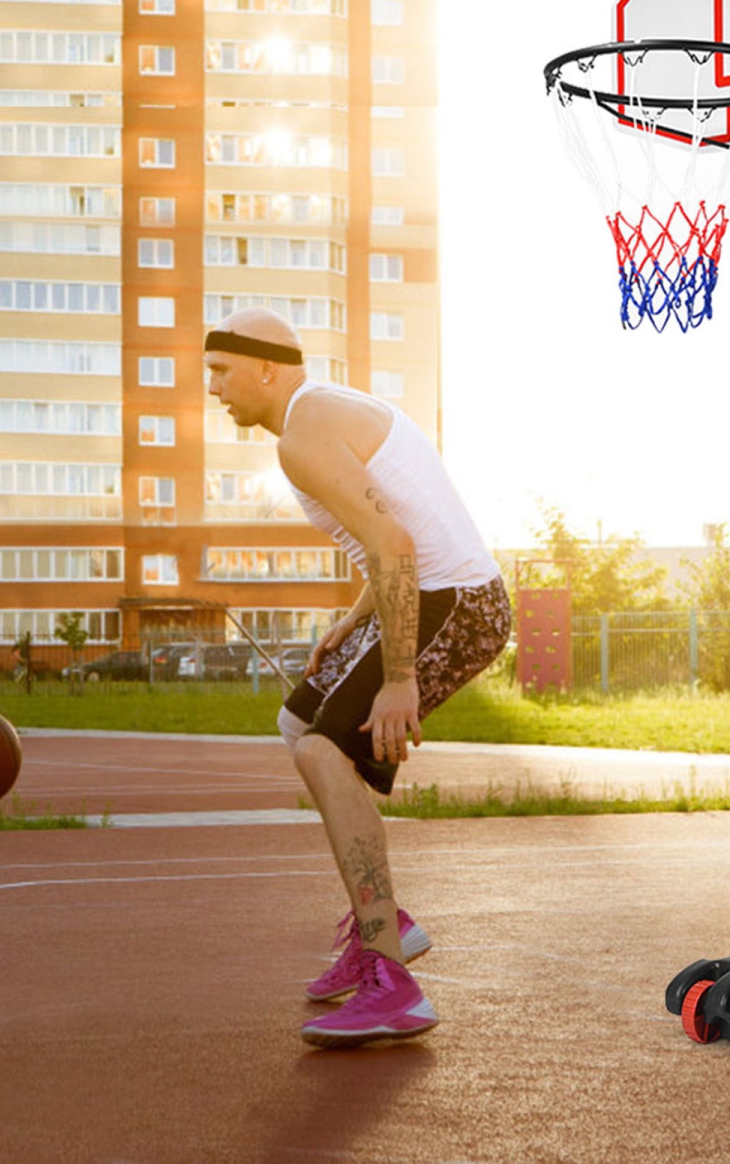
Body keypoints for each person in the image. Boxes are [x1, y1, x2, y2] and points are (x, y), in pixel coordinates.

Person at [204, 310, 511, 1048]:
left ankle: (392, 983)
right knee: (295, 722)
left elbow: (398, 546)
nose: (213, 388)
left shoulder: (304, 434)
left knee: (320, 748)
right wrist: (353, 624)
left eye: (221, 372)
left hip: (457, 605)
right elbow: (395, 539)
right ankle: (388, 923)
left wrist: (398, 677)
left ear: (267, 370)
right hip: (428, 592)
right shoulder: (321, 414)